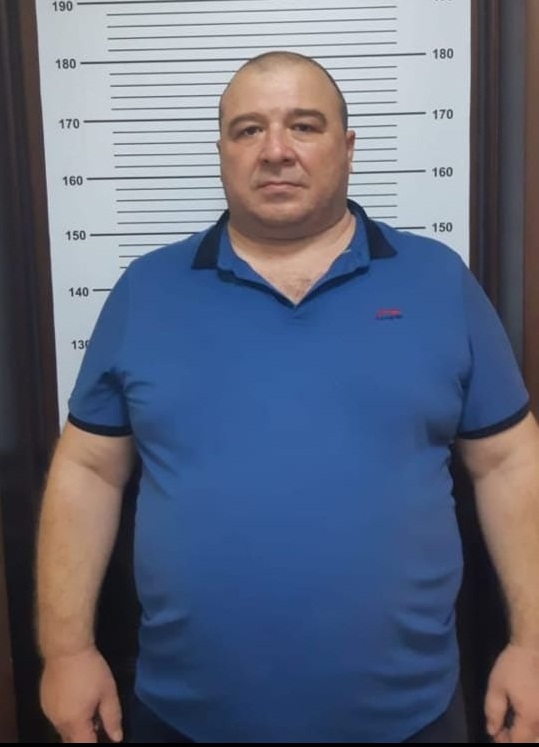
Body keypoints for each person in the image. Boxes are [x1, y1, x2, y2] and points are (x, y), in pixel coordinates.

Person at [35, 50, 539, 744]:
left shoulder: (438, 282)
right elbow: (88, 469)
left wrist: (531, 644)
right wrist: (66, 651)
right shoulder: (145, 291)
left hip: (408, 716)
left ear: (347, 146)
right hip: (183, 716)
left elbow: (509, 463)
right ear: (221, 152)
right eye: (248, 130)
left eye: (303, 125)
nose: (275, 150)